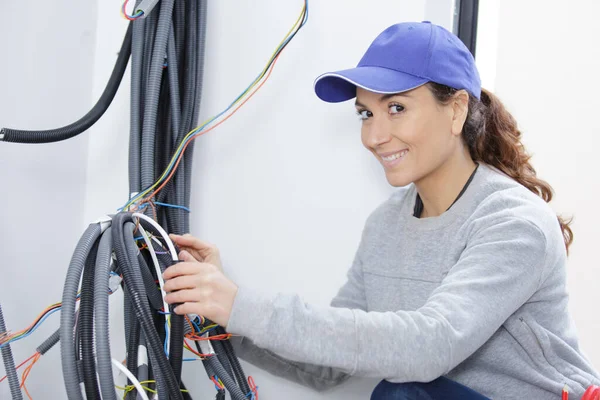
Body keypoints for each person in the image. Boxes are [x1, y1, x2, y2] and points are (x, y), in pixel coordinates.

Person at [162, 21, 600, 399]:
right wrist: (219, 311)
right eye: (365, 114)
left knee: (403, 392)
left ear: (457, 110)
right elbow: (327, 366)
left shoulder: (513, 222)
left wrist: (242, 305)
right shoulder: (386, 225)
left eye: (396, 108)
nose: (374, 136)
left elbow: (429, 347)